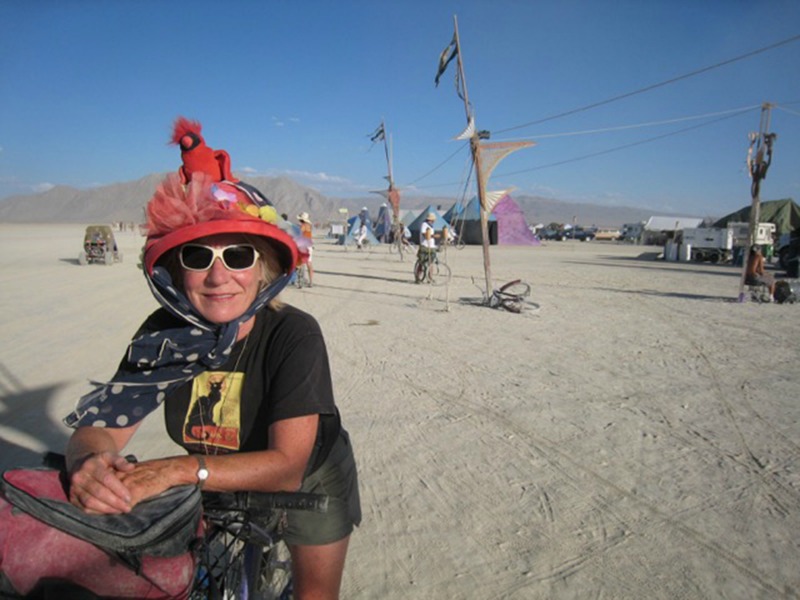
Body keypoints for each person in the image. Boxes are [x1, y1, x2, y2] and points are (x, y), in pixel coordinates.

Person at [63, 118, 360, 600]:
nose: (219, 277)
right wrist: (90, 464)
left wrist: (175, 470)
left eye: (239, 256)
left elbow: (287, 465)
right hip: (217, 470)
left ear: (263, 268)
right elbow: (99, 428)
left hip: (308, 476)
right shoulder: (164, 338)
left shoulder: (294, 334)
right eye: (198, 257)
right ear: (176, 274)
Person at [297, 211, 314, 286]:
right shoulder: (309, 226)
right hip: (309, 245)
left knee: (301, 263)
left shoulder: (303, 226)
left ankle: (300, 280)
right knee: (309, 264)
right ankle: (311, 281)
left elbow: (299, 234)